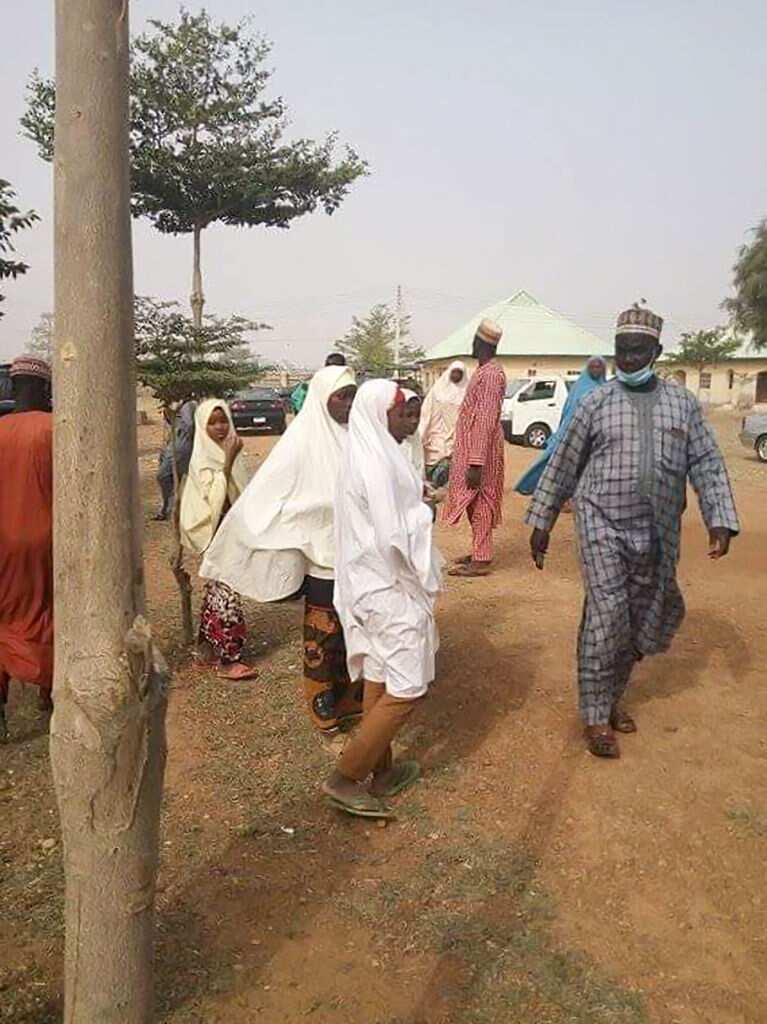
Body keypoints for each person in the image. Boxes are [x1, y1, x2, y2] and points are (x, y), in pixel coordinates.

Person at [527, 303, 739, 759]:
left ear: (657, 351)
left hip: (659, 531)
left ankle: (613, 694)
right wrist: (542, 520)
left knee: (638, 619)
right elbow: (562, 462)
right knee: (608, 612)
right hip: (600, 521)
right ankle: (596, 715)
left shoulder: (682, 404)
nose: (626, 359)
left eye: (637, 350)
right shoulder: (595, 403)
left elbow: (705, 461)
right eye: (621, 350)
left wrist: (718, 516)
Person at [200, 365, 361, 737]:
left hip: (355, 559)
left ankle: (349, 699)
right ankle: (323, 709)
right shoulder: (300, 443)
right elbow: (267, 497)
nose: (349, 403)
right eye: (342, 396)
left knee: (353, 634)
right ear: (322, 399)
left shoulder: (358, 438)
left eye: (353, 395)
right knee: (322, 639)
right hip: (322, 563)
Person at [324, 380, 442, 818]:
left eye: (415, 413)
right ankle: (345, 777)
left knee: (380, 677)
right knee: (407, 688)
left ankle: (383, 771)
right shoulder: (375, 464)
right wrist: (424, 517)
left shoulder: (373, 453)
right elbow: (396, 534)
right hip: (387, 588)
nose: (410, 423)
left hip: (367, 586)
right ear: (379, 414)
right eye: (403, 414)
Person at [180, 399, 257, 681]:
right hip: (215, 536)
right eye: (212, 422)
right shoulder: (203, 461)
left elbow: (244, 494)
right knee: (227, 596)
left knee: (217, 592)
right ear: (202, 425)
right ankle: (228, 658)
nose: (220, 427)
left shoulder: (234, 455)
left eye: (223, 420)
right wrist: (226, 462)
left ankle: (205, 650)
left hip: (233, 534)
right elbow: (208, 504)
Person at [0, 357, 53, 741]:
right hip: (47, 542)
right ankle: (48, 693)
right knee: (49, 612)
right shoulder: (55, 429)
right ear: (44, 388)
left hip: (3, 544)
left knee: (4, 619)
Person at [443, 320, 507, 577]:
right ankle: (480, 551)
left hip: (481, 452)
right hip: (472, 450)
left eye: (474, 341)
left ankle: (481, 559)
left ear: (481, 344)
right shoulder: (483, 372)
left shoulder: (490, 375)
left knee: (481, 500)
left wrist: (476, 462)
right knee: (474, 502)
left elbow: (485, 419)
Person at [514, 356, 607, 497]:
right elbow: (568, 412)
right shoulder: (578, 389)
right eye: (593, 367)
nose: (596, 370)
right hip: (575, 435)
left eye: (599, 367)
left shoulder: (606, 390)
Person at [419, 360, 468, 488]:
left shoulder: (466, 393)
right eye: (454, 372)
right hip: (435, 434)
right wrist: (422, 434)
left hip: (456, 435)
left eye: (459, 373)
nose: (456, 375)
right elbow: (426, 414)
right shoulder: (437, 390)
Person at [154, 399, 196, 521]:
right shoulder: (172, 405)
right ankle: (168, 508)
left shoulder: (187, 405)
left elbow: (189, 426)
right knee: (165, 477)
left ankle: (178, 510)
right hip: (171, 446)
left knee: (171, 476)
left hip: (181, 447)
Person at [401, 388, 425, 477]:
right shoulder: (388, 443)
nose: (414, 421)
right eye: (409, 415)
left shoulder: (415, 438)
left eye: (418, 415)